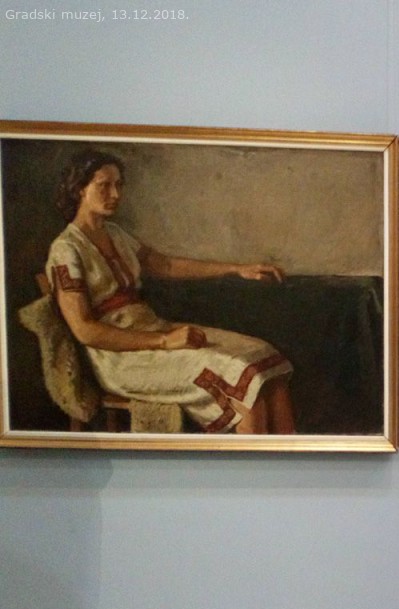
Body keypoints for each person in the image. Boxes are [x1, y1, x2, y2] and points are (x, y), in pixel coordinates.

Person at [45, 149, 296, 434]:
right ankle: (252, 462)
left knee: (261, 357)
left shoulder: (114, 233)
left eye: (118, 185)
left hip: (155, 330)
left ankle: (288, 456)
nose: (115, 194)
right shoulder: (66, 249)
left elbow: (164, 264)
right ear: (79, 189)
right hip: (120, 357)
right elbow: (84, 330)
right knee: (239, 376)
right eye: (104, 186)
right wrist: (164, 341)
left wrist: (236, 269)